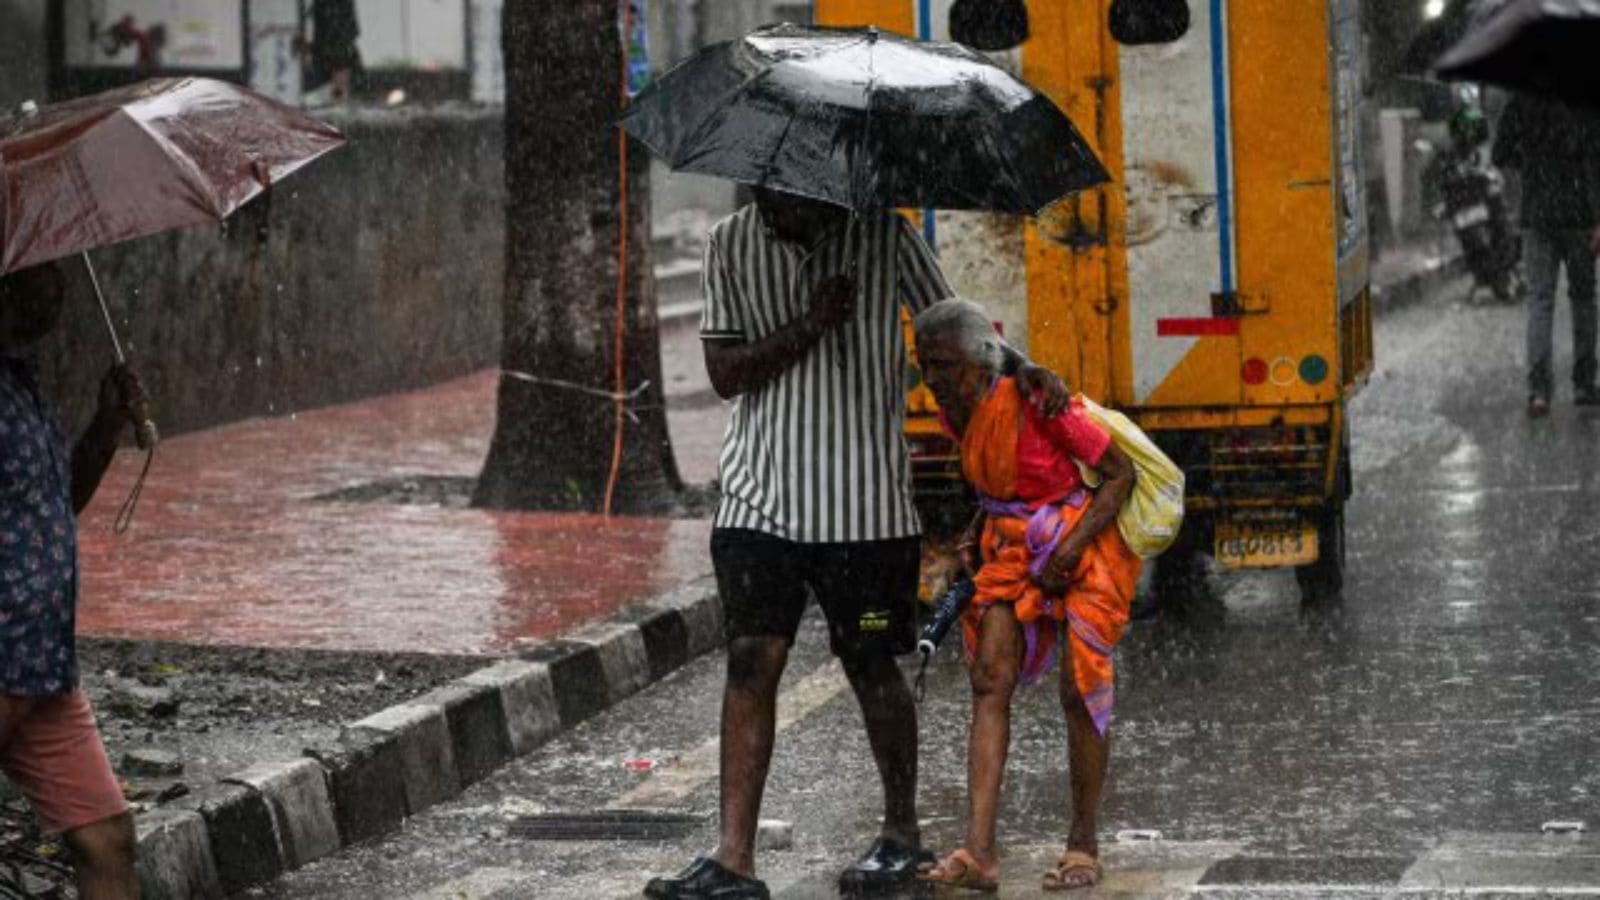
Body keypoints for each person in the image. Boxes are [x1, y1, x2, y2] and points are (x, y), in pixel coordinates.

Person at [645, 190, 1069, 900]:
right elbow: (723, 373)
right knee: (751, 659)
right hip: (758, 497)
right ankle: (734, 857)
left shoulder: (885, 237)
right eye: (760, 187)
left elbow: (956, 327)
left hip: (864, 508)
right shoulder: (729, 242)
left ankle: (901, 834)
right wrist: (809, 325)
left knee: (871, 660)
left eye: (782, 193)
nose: (768, 199)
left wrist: (1020, 368)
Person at [910, 299, 1139, 892]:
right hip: (1010, 555)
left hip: (1079, 551)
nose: (932, 380)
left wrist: (1069, 549)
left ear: (980, 362)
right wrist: (975, 529)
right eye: (924, 366)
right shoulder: (958, 415)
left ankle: (1083, 845)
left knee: (1079, 691)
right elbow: (998, 487)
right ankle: (979, 852)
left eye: (944, 365)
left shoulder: (1040, 402)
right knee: (989, 681)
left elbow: (1120, 475)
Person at [0, 262, 147, 900]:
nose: (59, 284)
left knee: (107, 839)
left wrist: (107, 426)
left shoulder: (20, 383)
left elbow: (55, 503)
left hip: (42, 669)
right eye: (43, 270)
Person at [1491, 94, 1600, 416]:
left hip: (1537, 214)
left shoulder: (1522, 99)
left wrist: (1531, 164)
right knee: (1583, 299)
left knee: (1540, 300)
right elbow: (1595, 160)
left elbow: (1500, 153)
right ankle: (1584, 384)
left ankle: (1539, 391)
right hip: (1580, 215)